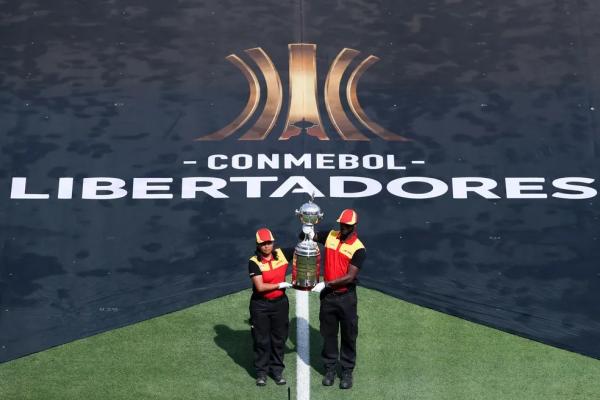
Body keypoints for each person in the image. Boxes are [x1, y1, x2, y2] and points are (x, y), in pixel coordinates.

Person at [310, 209, 366, 390]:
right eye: (342, 224)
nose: (344, 227)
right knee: (328, 334)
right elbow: (306, 237)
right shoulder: (330, 235)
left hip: (346, 297)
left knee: (349, 334)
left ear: (354, 226)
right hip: (328, 298)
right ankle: (330, 369)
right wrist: (308, 227)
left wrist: (327, 284)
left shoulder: (358, 248)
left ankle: (347, 371)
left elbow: (350, 277)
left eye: (347, 225)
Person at [248, 228, 294, 386]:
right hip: (260, 305)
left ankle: (277, 370)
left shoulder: (282, 254)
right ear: (258, 245)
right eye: (263, 244)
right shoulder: (254, 262)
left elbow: (303, 251)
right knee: (261, 339)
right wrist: (279, 284)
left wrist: (308, 234)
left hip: (280, 304)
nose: (267, 246)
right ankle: (261, 372)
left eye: (269, 243)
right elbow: (260, 287)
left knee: (279, 338)